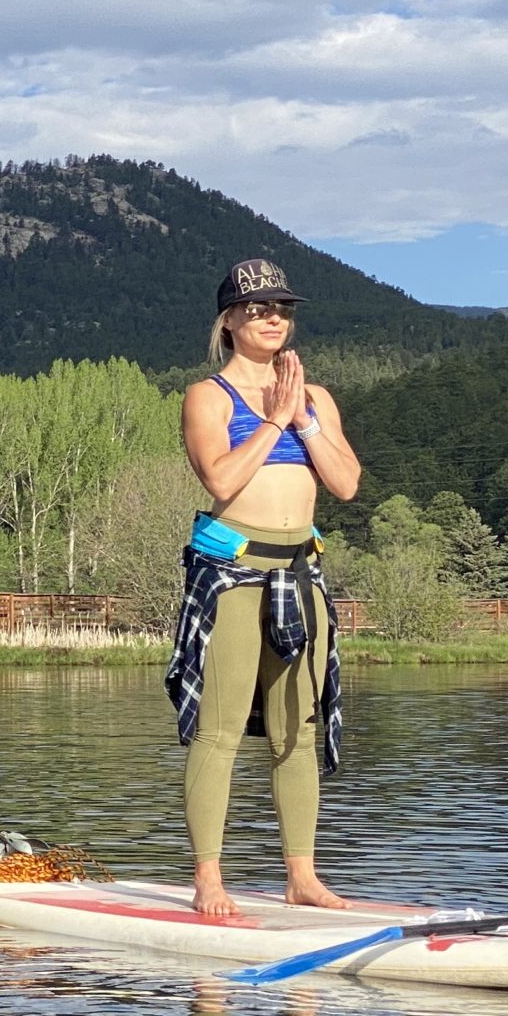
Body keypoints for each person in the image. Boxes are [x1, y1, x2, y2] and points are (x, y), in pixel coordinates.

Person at [165, 258, 362, 917]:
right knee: (218, 731)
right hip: (232, 575)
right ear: (229, 320)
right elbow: (220, 480)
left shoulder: (316, 396)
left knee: (296, 732)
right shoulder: (208, 396)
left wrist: (303, 418)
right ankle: (209, 880)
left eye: (282, 308)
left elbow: (345, 484)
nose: (273, 317)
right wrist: (274, 421)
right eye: (258, 308)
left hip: (299, 574)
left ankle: (302, 877)